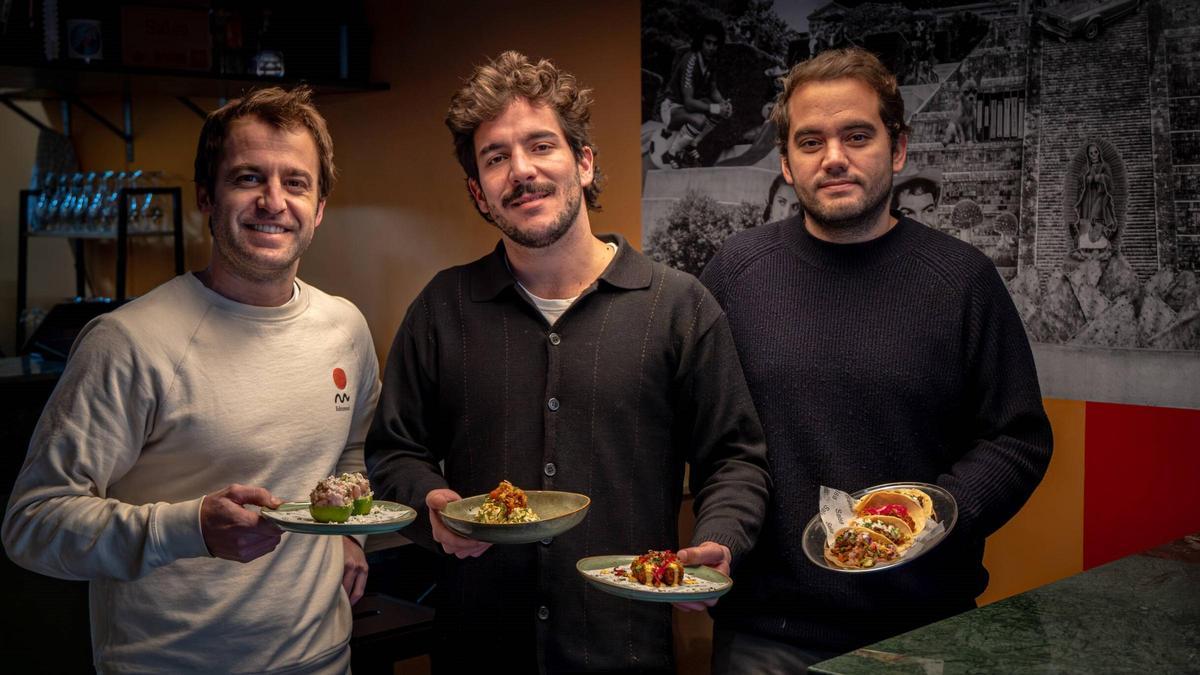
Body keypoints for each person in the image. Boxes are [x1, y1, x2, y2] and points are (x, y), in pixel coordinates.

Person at [365, 51, 770, 673]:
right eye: (496, 157)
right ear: (479, 191)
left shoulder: (679, 306)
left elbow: (734, 457)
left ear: (583, 161)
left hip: (625, 647)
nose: (521, 171)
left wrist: (721, 538)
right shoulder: (443, 307)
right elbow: (393, 452)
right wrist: (431, 505)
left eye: (540, 146)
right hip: (478, 648)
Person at [2, 87, 380, 673]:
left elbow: (351, 453)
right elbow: (33, 523)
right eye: (248, 178)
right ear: (207, 195)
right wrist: (188, 528)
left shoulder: (346, 329)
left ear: (321, 205)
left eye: (296, 182)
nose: (273, 201)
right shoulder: (128, 342)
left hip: (322, 658)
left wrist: (352, 537)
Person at [700, 48, 1053, 672]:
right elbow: (713, 437)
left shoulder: (962, 279)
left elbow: (1017, 438)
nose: (833, 157)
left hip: (924, 633)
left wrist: (929, 518)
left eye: (857, 135)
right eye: (810, 142)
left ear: (898, 149)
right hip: (765, 634)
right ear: (785, 163)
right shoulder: (736, 272)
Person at [659, 19, 734, 168]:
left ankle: (691, 144)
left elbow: (713, 90)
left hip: (685, 108)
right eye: (708, 42)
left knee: (716, 108)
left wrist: (724, 104)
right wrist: (716, 108)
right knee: (700, 118)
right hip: (671, 108)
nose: (711, 47)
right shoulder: (690, 61)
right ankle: (672, 153)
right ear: (700, 41)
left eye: (715, 44)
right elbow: (688, 102)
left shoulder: (710, 62)